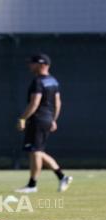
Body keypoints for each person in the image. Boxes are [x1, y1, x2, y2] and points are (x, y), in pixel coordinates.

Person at [15, 53, 73, 193]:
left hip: (38, 120)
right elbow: (58, 102)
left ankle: (32, 185)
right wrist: (53, 119)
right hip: (46, 119)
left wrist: (22, 118)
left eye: (33, 63)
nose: (30, 65)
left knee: (35, 152)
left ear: (42, 65)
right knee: (38, 151)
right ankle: (62, 176)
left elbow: (35, 103)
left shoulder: (38, 81)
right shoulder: (53, 81)